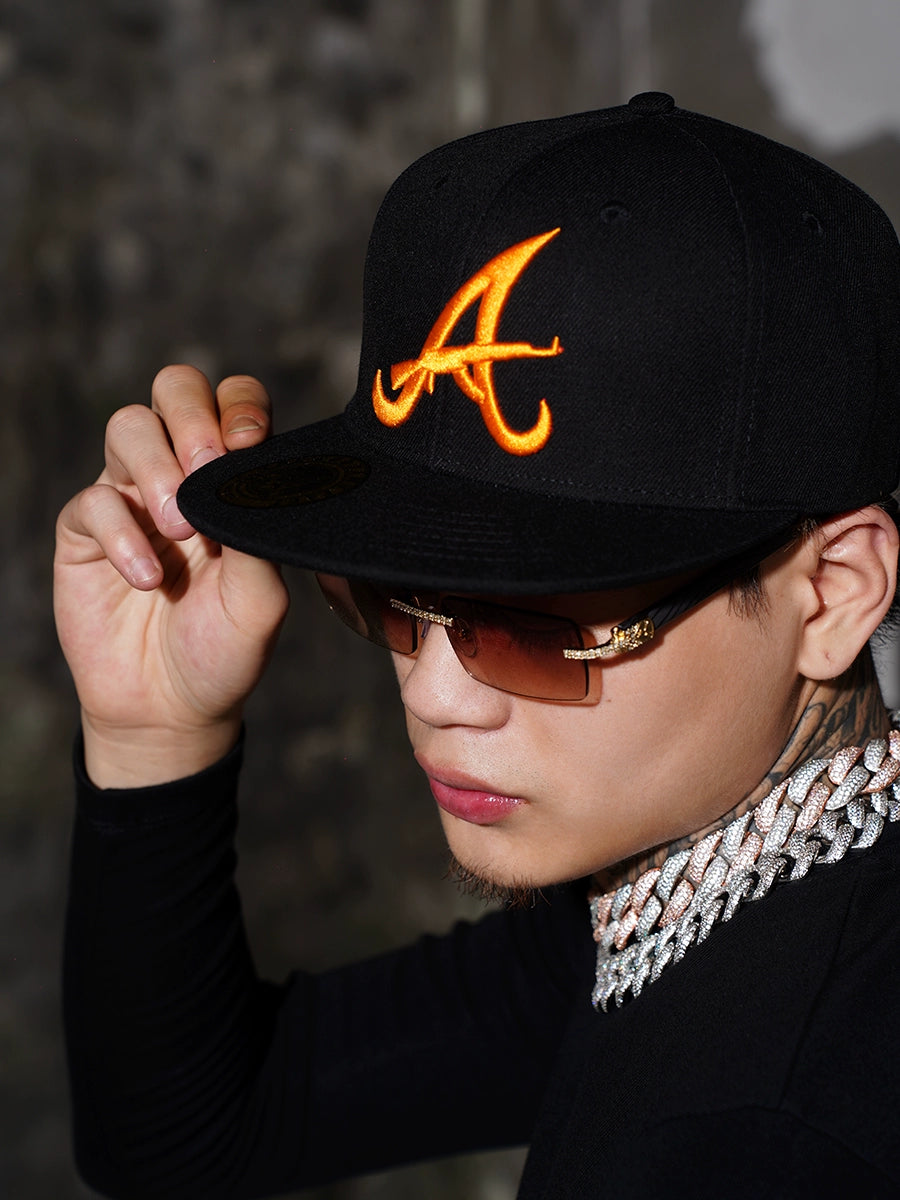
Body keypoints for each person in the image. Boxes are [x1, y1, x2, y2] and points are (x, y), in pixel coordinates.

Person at [55, 92, 900, 1198]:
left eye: (533, 625)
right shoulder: (691, 893)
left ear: (832, 593)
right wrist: (153, 732)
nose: (435, 695)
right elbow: (186, 1136)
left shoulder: (777, 1139)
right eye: (391, 600)